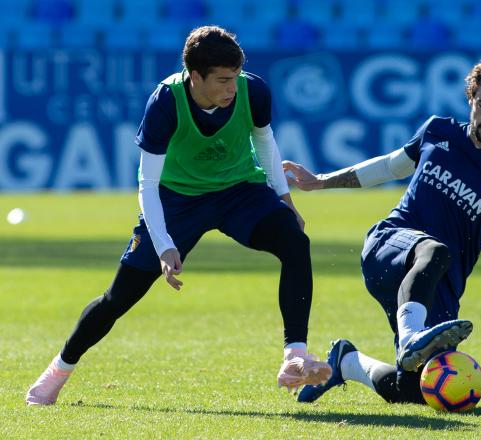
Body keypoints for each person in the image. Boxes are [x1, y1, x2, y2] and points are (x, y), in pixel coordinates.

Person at [25, 26, 331, 406]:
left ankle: (295, 354)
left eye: (235, 77)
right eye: (222, 80)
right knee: (119, 297)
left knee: (294, 241)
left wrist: (285, 200)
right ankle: (59, 370)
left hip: (239, 191)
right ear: (195, 76)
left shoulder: (254, 90)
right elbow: (147, 184)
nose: (232, 88)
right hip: (176, 200)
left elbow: (263, 140)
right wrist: (166, 245)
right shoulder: (165, 102)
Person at [284, 56, 481, 404]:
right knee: (435, 251)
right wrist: (321, 181)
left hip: (438, 287)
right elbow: (388, 167)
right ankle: (411, 335)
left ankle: (347, 362)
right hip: (390, 244)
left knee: (417, 392)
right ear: (470, 97)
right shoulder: (439, 131)